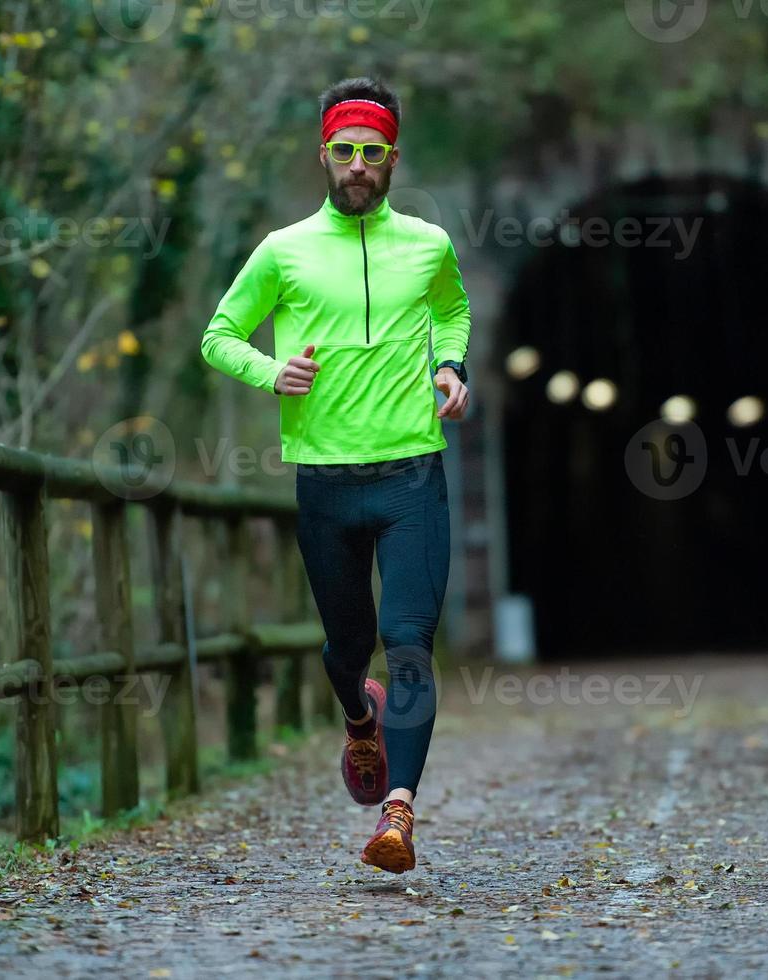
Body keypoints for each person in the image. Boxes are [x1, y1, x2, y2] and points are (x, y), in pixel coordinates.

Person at [199, 76, 472, 874]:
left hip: (413, 471)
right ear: (324, 155)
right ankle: (359, 717)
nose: (359, 164)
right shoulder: (283, 251)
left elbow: (451, 309)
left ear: (392, 160)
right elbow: (219, 334)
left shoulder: (427, 244)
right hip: (323, 478)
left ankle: (399, 813)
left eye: (373, 152)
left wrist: (450, 365)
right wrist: (268, 371)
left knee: (409, 641)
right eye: (346, 151)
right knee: (345, 647)